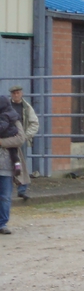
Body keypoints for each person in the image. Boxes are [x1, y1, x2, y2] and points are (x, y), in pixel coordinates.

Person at [0, 98, 26, 235]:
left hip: (6, 165)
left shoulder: (13, 119)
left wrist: (1, 142)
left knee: (5, 196)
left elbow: (20, 139)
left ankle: (2, 224)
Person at [9, 85, 38, 201]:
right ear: (11, 94)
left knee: (22, 165)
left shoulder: (27, 107)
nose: (16, 95)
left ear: (21, 93)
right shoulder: (6, 106)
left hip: (20, 140)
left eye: (18, 93)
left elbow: (34, 123)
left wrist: (26, 136)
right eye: (14, 93)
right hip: (7, 139)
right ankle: (7, 190)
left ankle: (22, 190)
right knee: (6, 164)